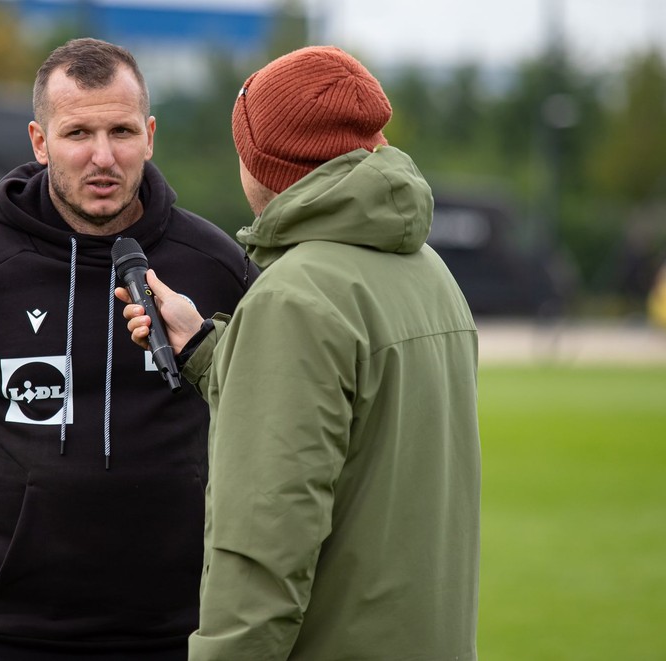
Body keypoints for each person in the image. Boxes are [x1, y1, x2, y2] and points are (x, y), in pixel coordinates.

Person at [0, 38, 255, 661]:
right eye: (78, 133)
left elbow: (267, 422)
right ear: (41, 144)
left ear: (149, 135)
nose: (103, 157)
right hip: (6, 633)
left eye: (121, 130)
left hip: (183, 628)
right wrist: (1, 523)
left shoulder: (217, 267)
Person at [118, 46, 481, 660]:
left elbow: (262, 549)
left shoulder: (293, 298)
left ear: (265, 163)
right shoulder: (429, 271)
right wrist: (207, 349)